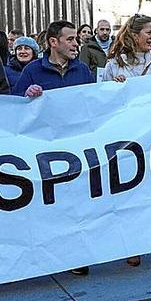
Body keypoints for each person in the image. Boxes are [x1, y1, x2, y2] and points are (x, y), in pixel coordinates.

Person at [13, 20, 95, 275]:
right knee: (52, 204)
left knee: (77, 202)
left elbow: (96, 104)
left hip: (76, 148)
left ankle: (77, 255)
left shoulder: (82, 71)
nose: (76, 43)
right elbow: (13, 106)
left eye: (76, 39)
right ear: (53, 42)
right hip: (45, 151)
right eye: (70, 39)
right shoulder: (32, 71)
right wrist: (27, 95)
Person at [98, 15, 151, 267]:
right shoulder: (113, 64)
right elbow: (101, 100)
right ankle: (134, 243)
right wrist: (114, 87)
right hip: (127, 137)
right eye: (148, 33)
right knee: (132, 191)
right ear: (133, 35)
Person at [103, 15, 151, 81]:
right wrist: (114, 86)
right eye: (149, 33)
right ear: (135, 36)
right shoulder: (114, 65)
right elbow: (105, 90)